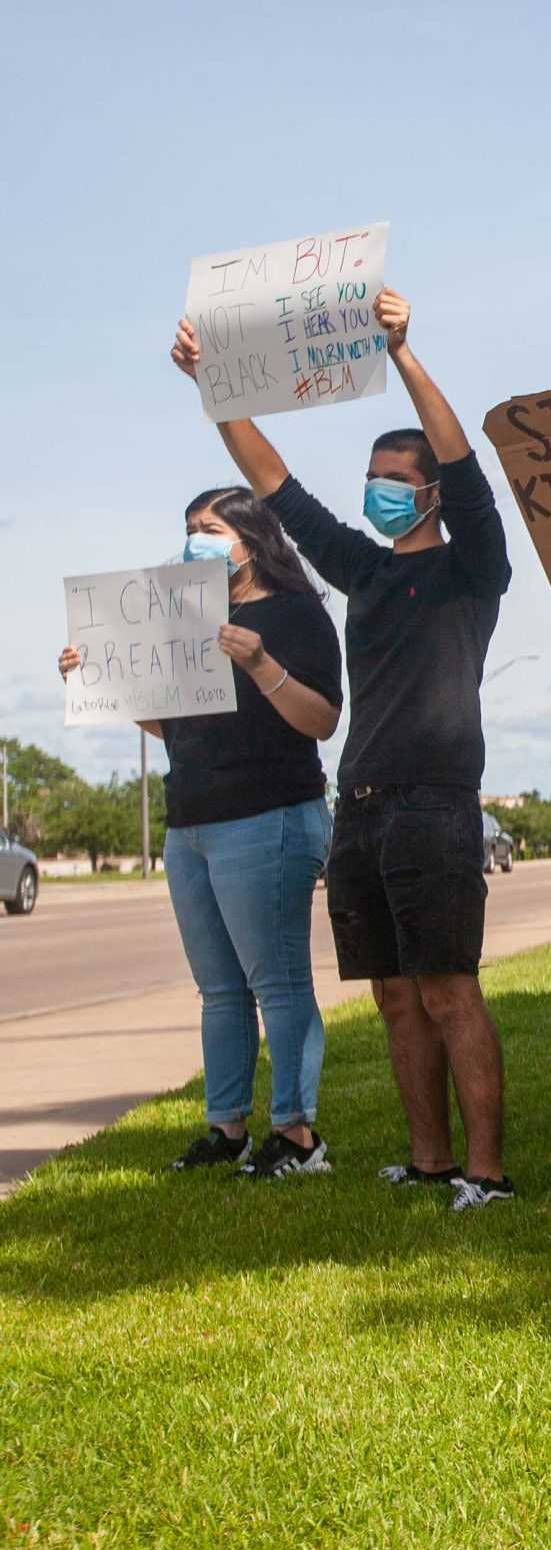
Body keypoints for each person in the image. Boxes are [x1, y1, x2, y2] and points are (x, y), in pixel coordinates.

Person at [176, 291, 520, 1212]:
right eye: (372, 472)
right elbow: (278, 486)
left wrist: (405, 353)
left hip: (436, 801)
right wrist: (212, 387)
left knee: (449, 989)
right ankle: (430, 1161)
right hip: (360, 805)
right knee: (395, 998)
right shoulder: (363, 569)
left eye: (395, 475)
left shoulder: (470, 566)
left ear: (432, 493)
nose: (378, 487)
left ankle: (487, 1175)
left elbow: (467, 463)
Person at [57, 488, 341, 1178]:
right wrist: (103, 680)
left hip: (267, 817)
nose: (195, 542)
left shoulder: (296, 612)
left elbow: (322, 718)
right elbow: (174, 724)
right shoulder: (186, 620)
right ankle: (228, 1128)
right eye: (188, 529)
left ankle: (299, 1137)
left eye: (210, 528)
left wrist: (259, 663)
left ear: (250, 537)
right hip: (190, 825)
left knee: (276, 981)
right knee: (219, 988)